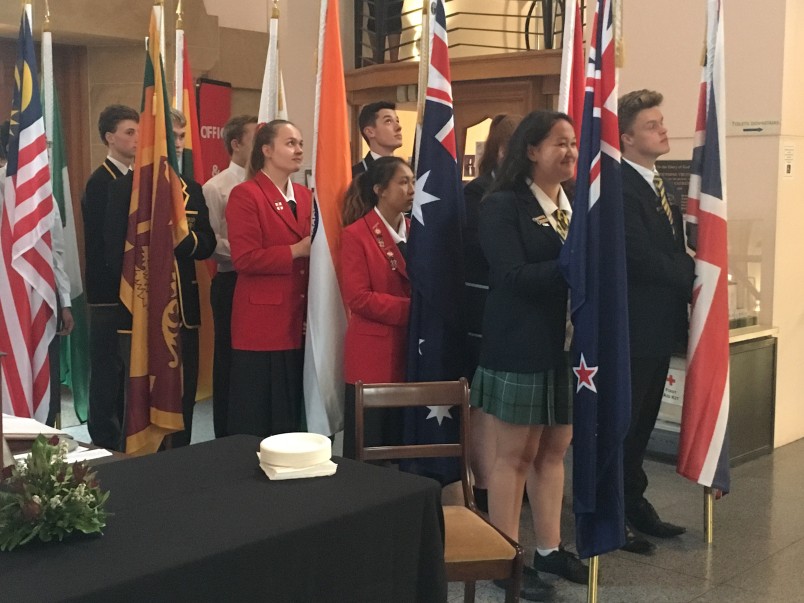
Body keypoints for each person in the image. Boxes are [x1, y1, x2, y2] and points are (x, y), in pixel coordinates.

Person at [472, 111, 587, 601]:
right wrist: (568, 266)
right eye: (559, 143)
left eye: (574, 143)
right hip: (519, 344)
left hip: (567, 350)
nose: (570, 152)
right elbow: (510, 275)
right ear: (531, 150)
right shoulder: (502, 204)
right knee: (513, 457)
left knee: (553, 452)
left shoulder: (578, 203)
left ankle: (549, 548)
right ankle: (506, 553)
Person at [105, 108, 216, 448]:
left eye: (182, 137)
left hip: (182, 310)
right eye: (171, 137)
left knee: (182, 393)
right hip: (140, 308)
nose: (177, 144)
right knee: (139, 394)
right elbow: (113, 253)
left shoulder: (191, 189)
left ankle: (181, 459)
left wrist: (183, 243)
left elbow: (207, 243)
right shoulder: (126, 189)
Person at [618, 89, 693, 552]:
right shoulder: (619, 186)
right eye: (651, 125)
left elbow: (671, 248)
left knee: (643, 422)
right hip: (632, 326)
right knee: (623, 423)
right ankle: (613, 511)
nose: (663, 130)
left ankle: (634, 500)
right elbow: (642, 258)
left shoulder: (660, 182)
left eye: (661, 122)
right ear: (625, 138)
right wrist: (690, 271)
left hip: (660, 324)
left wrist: (686, 268)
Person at [225, 120, 312, 437]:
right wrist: (295, 251)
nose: (298, 149)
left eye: (300, 143)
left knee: (290, 414)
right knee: (259, 414)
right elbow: (244, 258)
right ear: (266, 150)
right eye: (290, 143)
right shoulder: (246, 195)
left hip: (297, 316)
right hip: (262, 323)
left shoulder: (304, 195)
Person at [463, 113, 522, 511]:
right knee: (484, 401)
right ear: (504, 151)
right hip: (484, 304)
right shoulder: (478, 195)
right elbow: (481, 255)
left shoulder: (529, 195)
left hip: (518, 311)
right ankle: (483, 481)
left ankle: (514, 472)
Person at [340, 157, 414, 459]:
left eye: (413, 181)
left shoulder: (417, 230)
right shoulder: (357, 234)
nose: (411, 189)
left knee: (401, 441)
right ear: (380, 190)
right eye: (403, 182)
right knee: (370, 444)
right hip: (374, 354)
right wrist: (413, 311)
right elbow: (358, 298)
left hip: (410, 350)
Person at [81, 104, 139, 451]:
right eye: (129, 132)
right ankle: (103, 435)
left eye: (138, 132)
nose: (136, 139)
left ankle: (122, 433)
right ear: (109, 137)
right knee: (106, 367)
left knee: (124, 367)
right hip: (107, 291)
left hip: (129, 289)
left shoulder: (131, 179)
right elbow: (107, 242)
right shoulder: (102, 181)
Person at [202, 114, 258, 438]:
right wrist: (250, 253)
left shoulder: (270, 184)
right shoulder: (217, 187)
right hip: (232, 280)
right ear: (236, 144)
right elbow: (211, 242)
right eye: (255, 139)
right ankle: (224, 433)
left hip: (263, 283)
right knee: (228, 359)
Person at [352, 101, 403, 177]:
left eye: (397, 121)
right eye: (388, 121)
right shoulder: (355, 175)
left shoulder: (407, 172)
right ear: (370, 132)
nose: (399, 127)